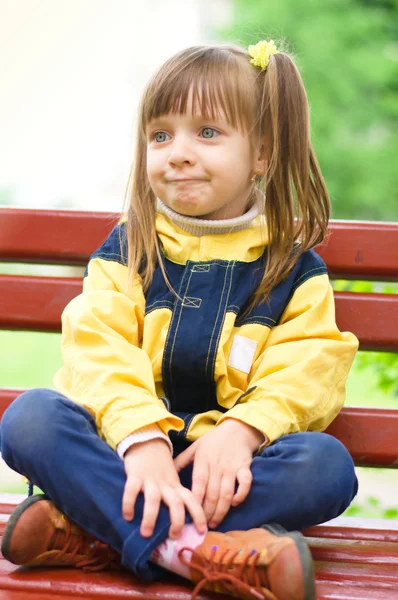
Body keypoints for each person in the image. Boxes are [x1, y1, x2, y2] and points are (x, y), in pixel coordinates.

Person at [0, 39, 359, 600]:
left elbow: (310, 365)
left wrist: (240, 433)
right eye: (160, 135)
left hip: (224, 479)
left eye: (207, 133)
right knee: (31, 419)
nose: (179, 152)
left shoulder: (291, 268)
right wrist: (142, 441)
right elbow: (98, 345)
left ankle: (99, 535)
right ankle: (194, 553)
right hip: (122, 463)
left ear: (262, 154)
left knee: (326, 466)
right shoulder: (130, 251)